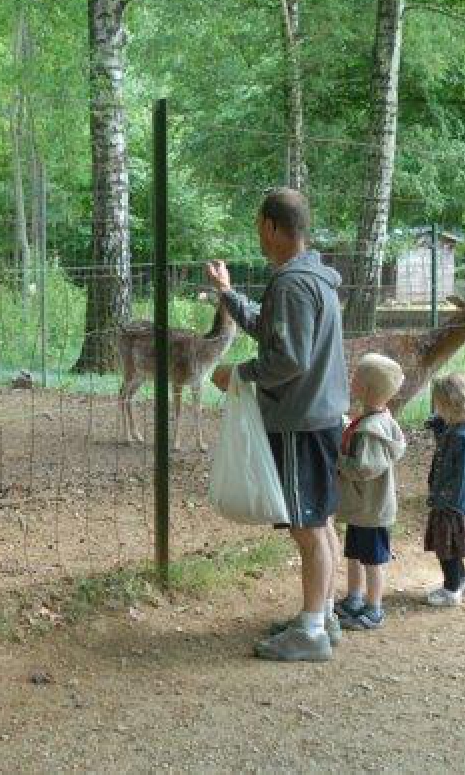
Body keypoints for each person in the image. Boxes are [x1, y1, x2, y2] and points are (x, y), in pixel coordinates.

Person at [206, 187, 349, 663]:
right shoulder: (315, 279)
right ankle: (322, 613)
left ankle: (310, 631)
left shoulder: (290, 284)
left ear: (270, 226)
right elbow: (276, 330)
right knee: (320, 520)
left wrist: (238, 375)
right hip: (321, 416)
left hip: (298, 422)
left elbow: (288, 358)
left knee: (306, 526)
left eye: (258, 227)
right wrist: (228, 294)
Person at [334, 353, 406, 631]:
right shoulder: (378, 419)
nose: (351, 381)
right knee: (354, 554)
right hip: (363, 509)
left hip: (371, 509)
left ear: (365, 389)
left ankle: (374, 608)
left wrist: (336, 460)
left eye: (355, 378)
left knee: (373, 561)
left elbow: (364, 468)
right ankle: (354, 599)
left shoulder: (370, 430)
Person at [423, 373, 465, 607]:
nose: (436, 409)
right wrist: (439, 431)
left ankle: (451, 589)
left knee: (446, 548)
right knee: (452, 547)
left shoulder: (464, 437)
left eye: (439, 405)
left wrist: (452, 503)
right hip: (449, 501)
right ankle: (463, 579)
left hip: (452, 505)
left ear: (450, 404)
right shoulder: (458, 429)